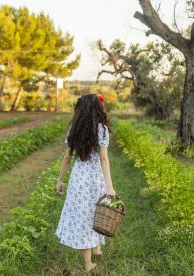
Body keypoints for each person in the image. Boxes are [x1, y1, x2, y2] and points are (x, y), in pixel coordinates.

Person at [55, 93, 116, 273]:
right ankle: (89, 265)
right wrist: (109, 186)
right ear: (98, 108)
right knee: (97, 211)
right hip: (96, 178)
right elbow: (104, 159)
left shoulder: (74, 128)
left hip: (79, 178)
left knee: (84, 214)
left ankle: (96, 249)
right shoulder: (102, 129)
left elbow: (67, 158)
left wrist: (60, 180)